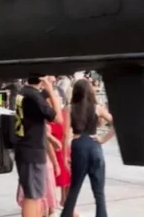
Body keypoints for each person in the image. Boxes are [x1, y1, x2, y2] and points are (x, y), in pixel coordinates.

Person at [60, 79, 114, 217]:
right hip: (94, 144)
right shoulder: (97, 107)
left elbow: (66, 134)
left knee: (74, 188)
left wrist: (66, 155)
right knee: (99, 191)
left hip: (78, 145)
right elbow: (116, 123)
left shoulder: (70, 108)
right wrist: (103, 139)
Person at [14, 75, 61, 217]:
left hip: (24, 147)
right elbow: (58, 118)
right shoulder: (34, 96)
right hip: (33, 150)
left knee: (33, 194)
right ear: (42, 78)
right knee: (33, 196)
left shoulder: (24, 92)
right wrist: (51, 91)